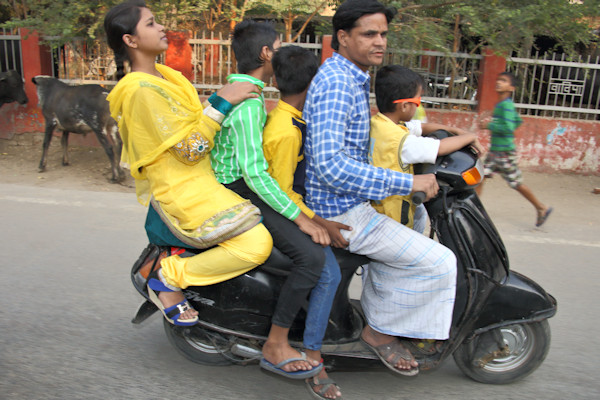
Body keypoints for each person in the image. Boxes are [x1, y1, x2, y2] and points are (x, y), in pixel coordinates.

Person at [303, 0, 456, 376]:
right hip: (342, 212)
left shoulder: (352, 77)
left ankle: (382, 314)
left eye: (383, 34)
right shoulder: (339, 83)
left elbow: (372, 134)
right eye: (369, 34)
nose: (380, 42)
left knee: (415, 224)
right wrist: (407, 181)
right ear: (343, 36)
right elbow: (329, 165)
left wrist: (427, 133)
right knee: (440, 262)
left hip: (355, 201)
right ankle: (378, 331)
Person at [103, 1, 273, 327]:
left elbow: (194, 120)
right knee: (257, 243)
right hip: (182, 186)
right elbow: (189, 150)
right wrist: (223, 100)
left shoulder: (164, 75)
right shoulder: (139, 90)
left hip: (204, 176)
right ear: (131, 40)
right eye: (151, 24)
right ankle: (167, 276)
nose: (161, 28)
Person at [210, 21, 327, 380]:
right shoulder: (248, 103)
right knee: (310, 257)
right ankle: (276, 342)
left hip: (240, 184)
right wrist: (301, 218)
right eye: (278, 45)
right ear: (266, 54)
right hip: (239, 189)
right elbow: (256, 174)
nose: (281, 49)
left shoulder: (243, 90)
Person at [263, 45, 348, 399]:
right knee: (327, 272)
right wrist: (318, 221)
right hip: (278, 208)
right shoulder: (285, 131)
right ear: (312, 85)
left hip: (291, 202)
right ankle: (312, 353)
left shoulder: (295, 119)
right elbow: (281, 193)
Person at [369, 65, 484, 228]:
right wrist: (469, 137)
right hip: (393, 218)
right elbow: (440, 147)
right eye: (417, 101)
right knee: (442, 255)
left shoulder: (380, 124)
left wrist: (452, 129)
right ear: (403, 106)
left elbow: (420, 127)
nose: (418, 106)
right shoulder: (402, 141)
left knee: (420, 213)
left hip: (379, 207)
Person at [476, 72, 553, 227]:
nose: (498, 82)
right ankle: (475, 209)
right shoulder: (502, 104)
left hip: (503, 152)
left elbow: (509, 126)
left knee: (516, 183)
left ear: (511, 88)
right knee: (480, 176)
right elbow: (517, 121)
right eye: (498, 79)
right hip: (497, 151)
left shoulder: (506, 105)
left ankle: (541, 207)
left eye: (503, 81)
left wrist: (489, 125)